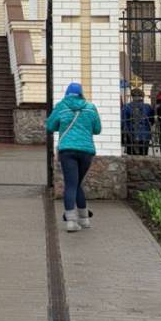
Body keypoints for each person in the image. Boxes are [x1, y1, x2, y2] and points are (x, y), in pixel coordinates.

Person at [46, 82, 101, 232]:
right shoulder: (90, 107)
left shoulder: (61, 106)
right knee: (77, 184)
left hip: (67, 150)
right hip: (86, 151)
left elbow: (50, 126)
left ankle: (71, 221)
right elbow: (97, 129)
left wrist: (61, 125)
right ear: (81, 93)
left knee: (71, 185)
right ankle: (84, 219)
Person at [120, 88, 152, 155]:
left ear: (132, 96)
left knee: (131, 157)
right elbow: (152, 120)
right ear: (142, 96)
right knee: (144, 155)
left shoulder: (127, 107)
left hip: (131, 135)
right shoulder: (148, 107)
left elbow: (123, 122)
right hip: (145, 135)